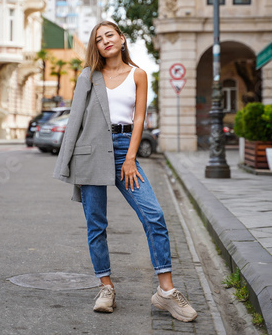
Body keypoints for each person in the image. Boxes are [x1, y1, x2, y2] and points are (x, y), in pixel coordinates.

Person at [53, 21, 197, 322]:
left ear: (121, 38)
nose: (105, 41)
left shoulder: (138, 74)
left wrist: (130, 157)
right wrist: (65, 164)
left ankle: (166, 293)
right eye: (99, 38)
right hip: (91, 151)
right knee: (96, 224)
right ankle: (105, 287)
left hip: (123, 149)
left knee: (154, 215)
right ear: (97, 46)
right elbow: (76, 119)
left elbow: (140, 118)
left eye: (110, 35)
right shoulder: (88, 77)